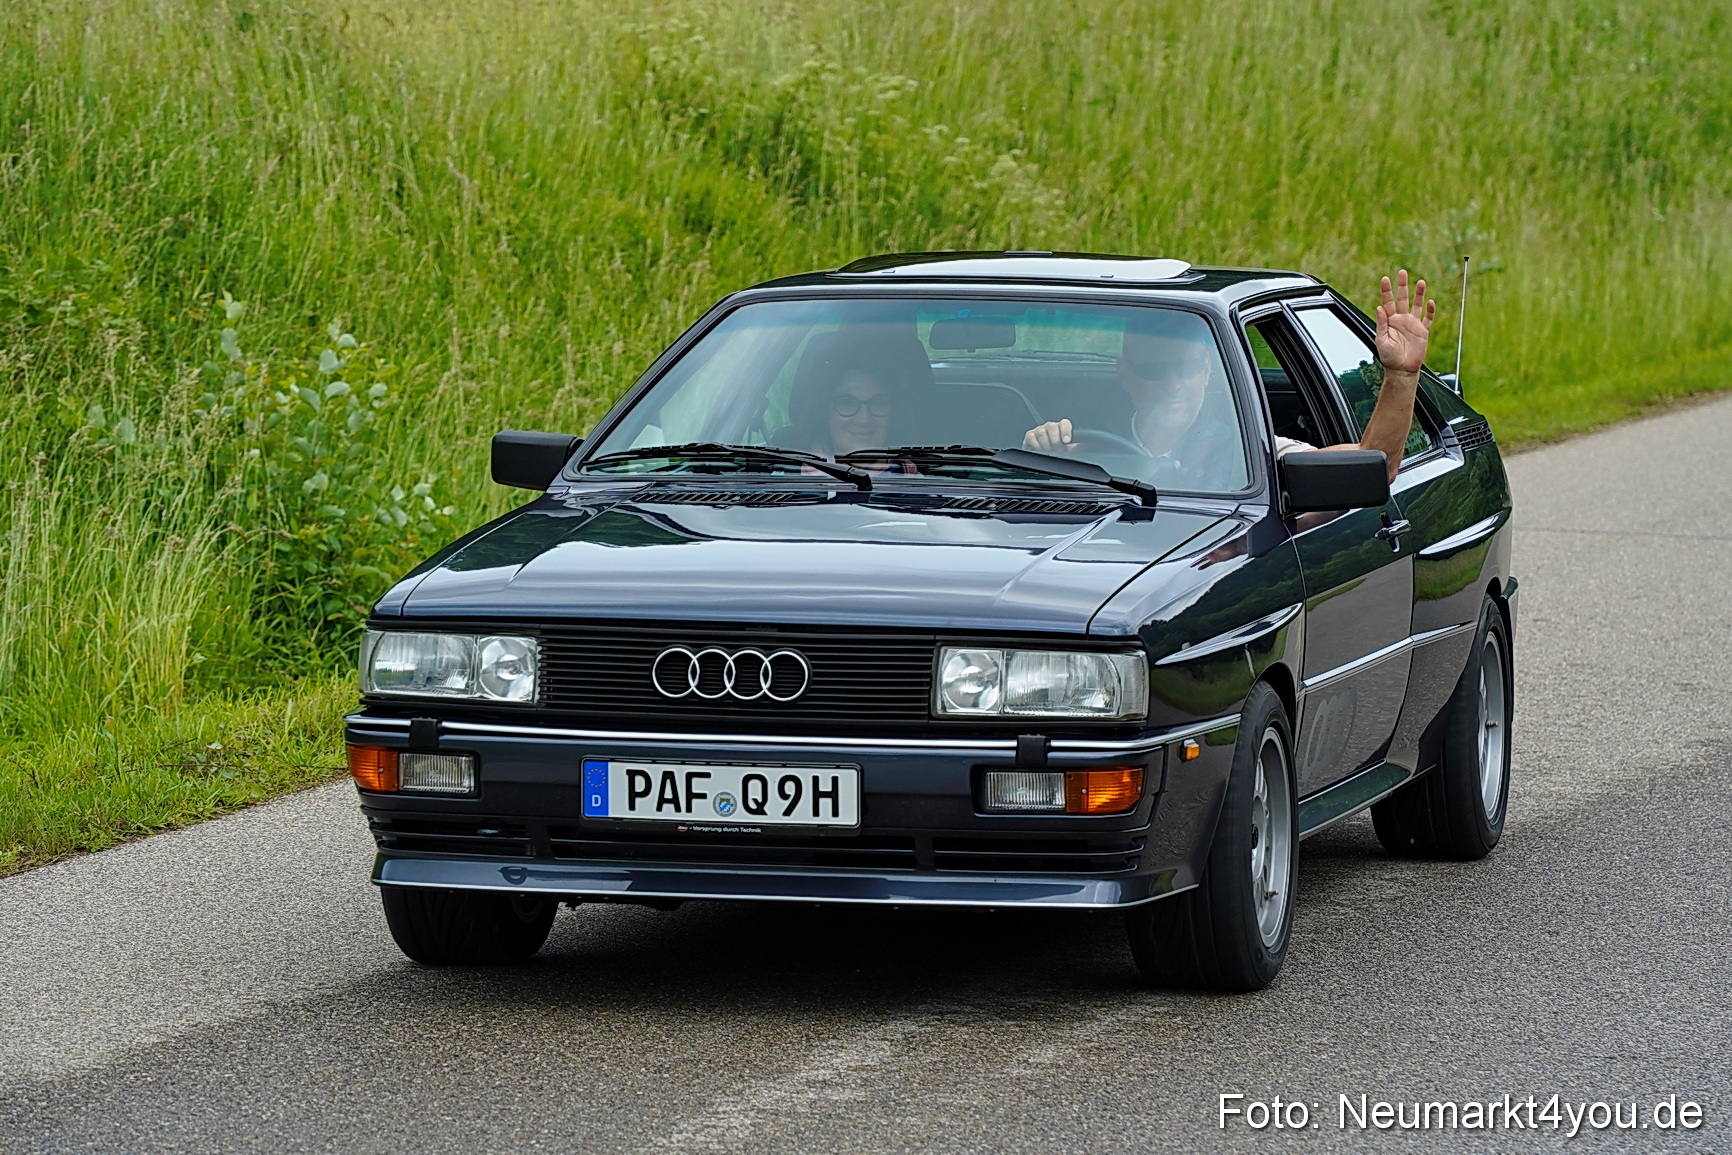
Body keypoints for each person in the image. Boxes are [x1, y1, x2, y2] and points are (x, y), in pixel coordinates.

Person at [1023, 270, 1436, 482]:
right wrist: (1035, 459)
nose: (1172, 385)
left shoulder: (1255, 454)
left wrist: (1401, 375)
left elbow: (1373, 468)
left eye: (1184, 369)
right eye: (1153, 370)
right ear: (1125, 375)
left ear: (1206, 372)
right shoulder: (1077, 450)